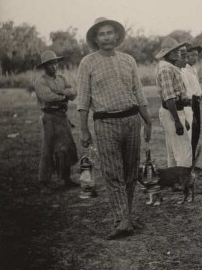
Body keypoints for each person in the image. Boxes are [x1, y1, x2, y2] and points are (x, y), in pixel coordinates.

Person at [77, 17, 152, 240]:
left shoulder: (128, 60)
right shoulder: (87, 63)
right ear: (95, 38)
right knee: (113, 173)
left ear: (117, 36)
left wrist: (148, 121)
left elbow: (138, 93)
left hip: (131, 120)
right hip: (105, 122)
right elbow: (83, 98)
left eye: (110, 33)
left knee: (130, 172)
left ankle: (124, 218)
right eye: (102, 34)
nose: (107, 37)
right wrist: (83, 129)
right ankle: (122, 220)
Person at [34, 50, 79, 193]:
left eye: (55, 63)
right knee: (48, 149)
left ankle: (66, 178)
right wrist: (64, 96)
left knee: (66, 147)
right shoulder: (41, 81)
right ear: (44, 67)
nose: (53, 66)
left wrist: (64, 93)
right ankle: (44, 183)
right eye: (49, 64)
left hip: (62, 116)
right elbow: (48, 97)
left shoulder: (61, 78)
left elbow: (74, 91)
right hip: (50, 116)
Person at [155, 37, 193, 171]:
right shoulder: (166, 69)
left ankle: (175, 179)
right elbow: (169, 98)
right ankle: (183, 180)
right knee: (183, 150)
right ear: (168, 54)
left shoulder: (171, 67)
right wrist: (177, 121)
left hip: (176, 110)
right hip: (172, 111)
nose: (178, 53)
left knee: (175, 148)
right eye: (175, 50)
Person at [185, 45, 202, 161]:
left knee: (196, 132)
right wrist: (191, 111)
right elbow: (188, 92)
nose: (194, 58)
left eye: (196, 55)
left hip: (197, 102)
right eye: (191, 55)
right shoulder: (185, 71)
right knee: (192, 131)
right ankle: (188, 163)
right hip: (190, 103)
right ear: (186, 56)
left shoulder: (193, 70)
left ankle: (192, 162)